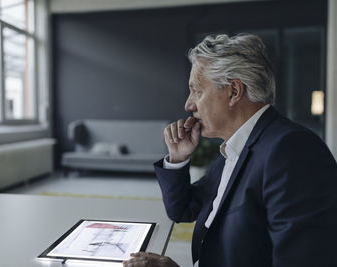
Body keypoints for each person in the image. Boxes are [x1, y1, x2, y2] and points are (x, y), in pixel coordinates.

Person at [123, 34, 337, 267]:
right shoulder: (239, 147)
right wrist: (177, 157)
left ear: (234, 91)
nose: (188, 105)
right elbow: (182, 209)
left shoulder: (292, 151)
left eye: (196, 91)